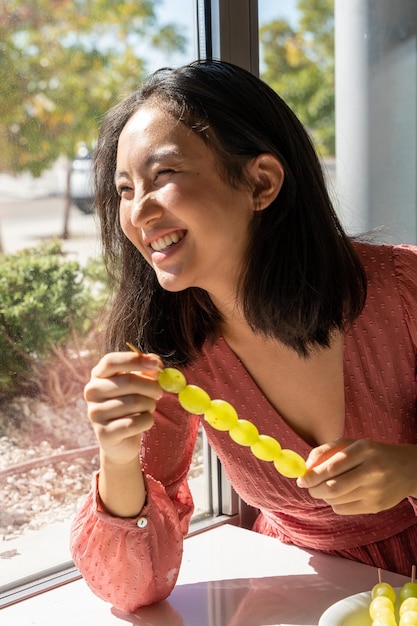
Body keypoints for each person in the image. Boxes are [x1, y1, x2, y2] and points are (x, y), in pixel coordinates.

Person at [70, 59, 417, 613]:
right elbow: (133, 590)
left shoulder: (404, 291)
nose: (137, 212)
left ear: (261, 181)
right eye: (125, 189)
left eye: (163, 176)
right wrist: (115, 456)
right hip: (299, 600)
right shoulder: (166, 351)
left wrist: (412, 469)